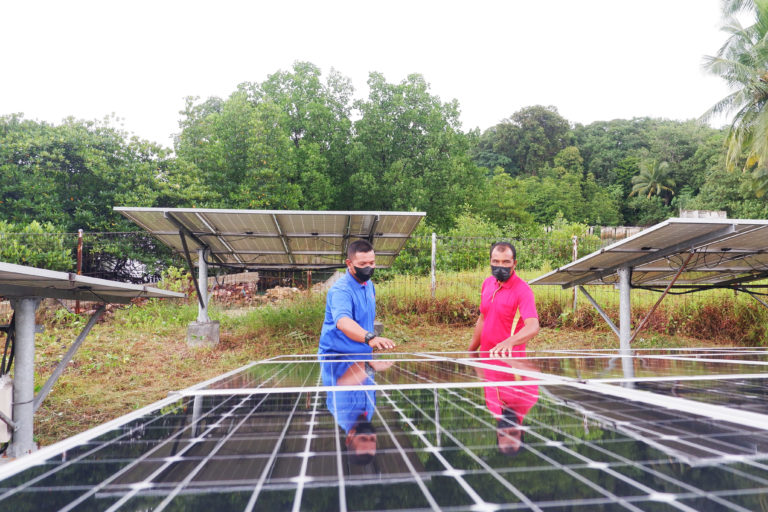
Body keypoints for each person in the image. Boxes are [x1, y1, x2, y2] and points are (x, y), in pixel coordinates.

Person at [319, 239, 395, 355]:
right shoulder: (341, 290)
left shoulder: (368, 284)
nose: (368, 268)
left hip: (363, 356)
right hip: (338, 360)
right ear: (349, 264)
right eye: (362, 264)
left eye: (372, 263)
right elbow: (343, 322)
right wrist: (371, 338)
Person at [468, 242, 540, 357]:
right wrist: (471, 352)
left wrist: (509, 342)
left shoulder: (523, 290)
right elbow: (482, 319)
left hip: (510, 362)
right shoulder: (487, 283)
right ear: (490, 262)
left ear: (514, 263)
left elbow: (533, 326)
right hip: (486, 360)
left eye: (506, 262)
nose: (500, 266)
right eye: (496, 261)